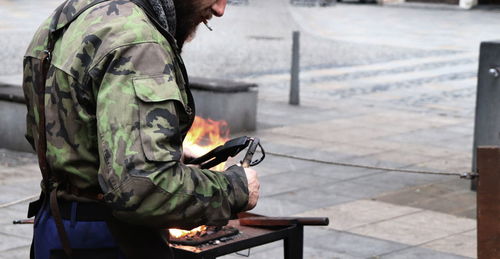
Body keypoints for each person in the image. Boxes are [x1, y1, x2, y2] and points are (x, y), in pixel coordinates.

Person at [21, 0, 260, 258]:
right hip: (107, 240)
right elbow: (142, 187)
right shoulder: (138, 43)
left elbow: (64, 136)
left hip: (55, 227)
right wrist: (235, 189)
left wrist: (157, 146)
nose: (220, 10)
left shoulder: (73, 11)